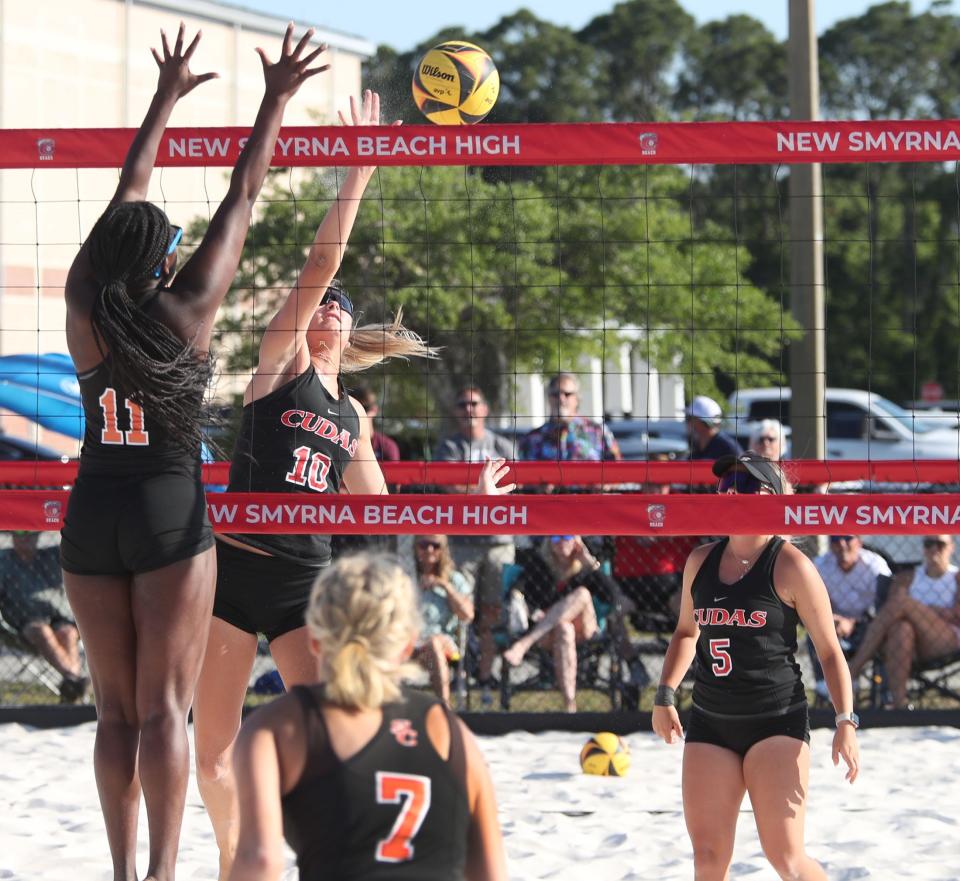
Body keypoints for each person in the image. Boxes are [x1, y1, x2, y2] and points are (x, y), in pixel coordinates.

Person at [192, 91, 515, 879]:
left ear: (347, 327)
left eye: (337, 306)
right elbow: (320, 264)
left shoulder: (354, 419)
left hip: (306, 584)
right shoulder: (282, 364)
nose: (327, 307)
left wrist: (467, 504)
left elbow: (379, 516)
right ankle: (237, 857)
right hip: (235, 572)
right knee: (214, 757)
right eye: (321, 305)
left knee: (341, 733)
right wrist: (358, 171)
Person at [59, 23, 325, 881]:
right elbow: (245, 193)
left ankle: (123, 871)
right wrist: (275, 97)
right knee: (165, 711)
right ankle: (165, 877)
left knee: (116, 714)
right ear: (167, 257)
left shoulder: (82, 299)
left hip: (92, 507)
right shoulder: (189, 313)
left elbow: (125, 202)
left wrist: (164, 97)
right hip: (167, 512)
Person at [226, 553, 508, 881]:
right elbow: (491, 872)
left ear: (315, 639)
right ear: (406, 646)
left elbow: (259, 861)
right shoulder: (448, 729)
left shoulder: (277, 728)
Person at [653, 451, 859, 881]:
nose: (730, 492)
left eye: (744, 485)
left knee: (785, 858)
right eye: (724, 485)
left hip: (776, 722)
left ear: (774, 497)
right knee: (708, 860)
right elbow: (687, 634)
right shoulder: (701, 560)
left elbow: (829, 651)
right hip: (711, 722)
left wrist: (845, 722)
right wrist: (665, 695)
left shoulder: (791, 566)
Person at [434, 385, 516, 698]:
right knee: (462, 611)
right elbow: (449, 487)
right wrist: (484, 492)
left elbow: (511, 487)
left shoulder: (502, 444)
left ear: (485, 409)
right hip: (463, 541)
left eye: (474, 403)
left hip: (498, 541)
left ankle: (485, 677)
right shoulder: (449, 447)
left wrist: (478, 492)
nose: (468, 408)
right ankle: (461, 676)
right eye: (461, 404)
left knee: (493, 611)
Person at [501, 534, 639, 711]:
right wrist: (533, 611)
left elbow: (614, 599)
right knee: (564, 628)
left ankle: (523, 644)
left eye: (566, 537)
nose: (560, 543)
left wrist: (590, 563)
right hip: (550, 634)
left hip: (585, 629)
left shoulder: (585, 568)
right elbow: (519, 592)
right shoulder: (539, 565)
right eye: (555, 538)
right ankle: (570, 705)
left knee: (582, 594)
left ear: (577, 541)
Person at [847, 534, 960, 709]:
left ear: (951, 547)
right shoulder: (908, 577)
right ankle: (900, 704)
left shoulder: (956, 577)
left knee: (903, 602)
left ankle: (852, 670)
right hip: (909, 644)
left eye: (940, 544)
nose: (934, 549)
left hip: (945, 640)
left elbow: (956, 615)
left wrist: (914, 608)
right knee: (901, 628)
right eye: (929, 543)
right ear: (923, 548)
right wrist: (936, 611)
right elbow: (891, 612)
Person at [0, 531, 87, 702]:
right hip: (21, 623)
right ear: (12, 536)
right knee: (42, 631)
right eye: (20, 533)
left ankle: (72, 683)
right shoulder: (4, 562)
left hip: (58, 617)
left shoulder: (51, 557)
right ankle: (75, 681)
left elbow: (79, 546)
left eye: (31, 533)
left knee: (68, 634)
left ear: (38, 536)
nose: (26, 537)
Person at [809, 535, 892, 699]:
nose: (841, 544)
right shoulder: (820, 565)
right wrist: (832, 618)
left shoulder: (875, 565)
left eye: (848, 538)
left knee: (885, 630)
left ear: (859, 542)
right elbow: (812, 601)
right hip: (833, 622)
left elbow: (885, 605)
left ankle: (883, 694)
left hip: (868, 625)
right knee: (816, 626)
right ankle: (823, 683)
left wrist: (853, 622)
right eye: (835, 539)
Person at [412, 534, 474, 704]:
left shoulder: (455, 579)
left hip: (444, 643)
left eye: (435, 545)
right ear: (416, 548)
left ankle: (444, 706)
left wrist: (445, 586)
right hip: (411, 643)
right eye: (423, 545)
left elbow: (467, 615)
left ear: (443, 550)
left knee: (434, 642)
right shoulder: (406, 578)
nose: (429, 550)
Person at [518, 372, 621, 473]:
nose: (561, 399)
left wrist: (603, 485)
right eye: (555, 394)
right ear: (549, 398)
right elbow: (521, 480)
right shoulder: (531, 439)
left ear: (577, 399)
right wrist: (537, 487)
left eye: (567, 394)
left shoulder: (598, 431)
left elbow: (618, 472)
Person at [685, 394, 742, 460]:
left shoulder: (728, 449)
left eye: (688, 418)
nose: (687, 423)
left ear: (701, 422)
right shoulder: (696, 449)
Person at [355, 384, 400, 463]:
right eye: (355, 408)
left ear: (374, 409)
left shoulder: (387, 446)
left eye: (365, 408)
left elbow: (393, 474)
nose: (360, 412)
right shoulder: (341, 443)